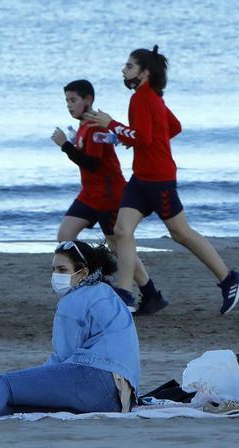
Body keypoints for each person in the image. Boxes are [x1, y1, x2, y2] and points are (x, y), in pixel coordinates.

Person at [83, 46, 239, 315]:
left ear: (145, 73)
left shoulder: (143, 99)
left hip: (159, 180)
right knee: (122, 230)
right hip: (141, 178)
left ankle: (229, 278)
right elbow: (171, 127)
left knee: (180, 233)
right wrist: (134, 137)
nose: (123, 70)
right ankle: (125, 294)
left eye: (129, 66)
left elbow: (144, 137)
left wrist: (112, 125)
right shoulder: (150, 97)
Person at [0, 241, 139, 418]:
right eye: (54, 270)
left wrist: (34, 377)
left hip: (95, 379)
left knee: (4, 383)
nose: (56, 276)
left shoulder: (73, 302)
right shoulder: (107, 293)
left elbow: (62, 357)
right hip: (119, 397)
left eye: (62, 269)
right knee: (20, 399)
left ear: (82, 273)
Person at [51, 79, 167, 315]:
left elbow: (92, 163)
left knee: (117, 246)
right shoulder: (84, 125)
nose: (69, 106)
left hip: (109, 194)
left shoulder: (95, 126)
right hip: (89, 194)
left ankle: (149, 292)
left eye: (73, 100)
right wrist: (72, 142)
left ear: (89, 100)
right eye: (67, 101)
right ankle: (96, 277)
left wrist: (65, 145)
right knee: (65, 235)